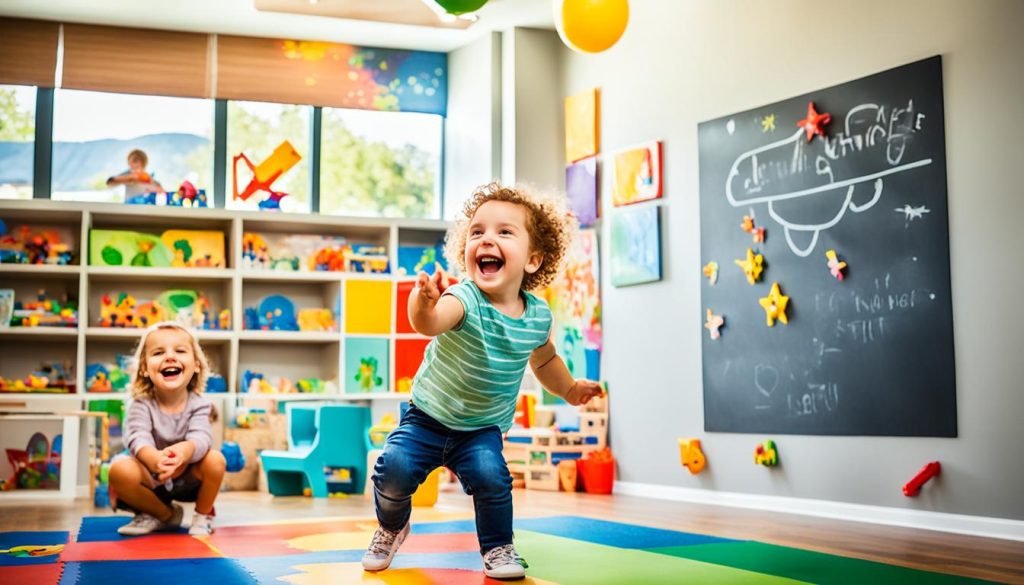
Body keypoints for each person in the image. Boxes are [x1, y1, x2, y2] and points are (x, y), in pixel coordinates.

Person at [362, 183, 604, 579]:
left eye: (504, 232)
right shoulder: (464, 299)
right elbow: (428, 323)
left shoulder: (537, 318)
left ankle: (498, 548)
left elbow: (545, 362)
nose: (487, 238)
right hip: (426, 417)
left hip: (481, 429)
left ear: (533, 259)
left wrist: (571, 389)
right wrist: (423, 301)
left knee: (493, 479)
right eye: (477, 231)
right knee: (393, 470)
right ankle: (391, 526)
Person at [108, 321, 225, 536]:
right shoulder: (140, 404)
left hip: (189, 478)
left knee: (216, 460)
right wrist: (155, 460)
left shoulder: (200, 404)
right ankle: (164, 514)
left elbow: (201, 437)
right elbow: (137, 437)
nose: (170, 357)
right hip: (151, 479)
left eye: (180, 350)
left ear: (197, 364)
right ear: (144, 368)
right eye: (158, 352)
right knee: (118, 470)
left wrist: (183, 452)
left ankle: (202, 517)